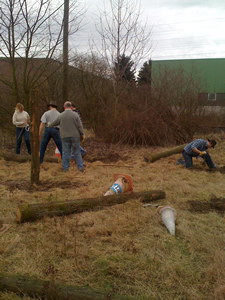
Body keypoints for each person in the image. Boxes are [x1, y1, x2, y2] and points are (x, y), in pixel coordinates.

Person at [49, 101, 85, 172]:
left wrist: (49, 124)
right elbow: (80, 126)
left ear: (64, 107)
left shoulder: (61, 115)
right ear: (71, 106)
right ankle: (80, 167)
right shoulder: (75, 115)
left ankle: (65, 168)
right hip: (75, 136)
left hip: (64, 136)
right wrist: (82, 134)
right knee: (77, 152)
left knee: (65, 152)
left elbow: (53, 123)